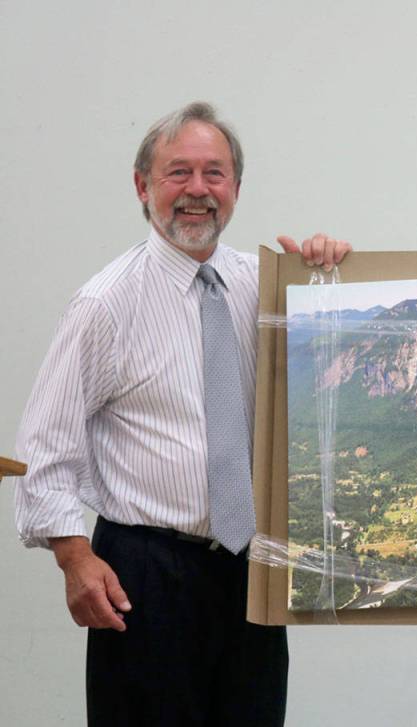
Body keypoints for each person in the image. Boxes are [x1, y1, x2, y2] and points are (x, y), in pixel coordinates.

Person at [14, 101, 350, 726]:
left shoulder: (269, 286)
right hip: (145, 578)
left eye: (214, 173)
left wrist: (328, 273)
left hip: (253, 571)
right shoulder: (104, 305)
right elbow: (46, 455)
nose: (198, 190)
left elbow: (336, 371)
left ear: (237, 189)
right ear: (143, 186)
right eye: (179, 173)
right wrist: (74, 558)